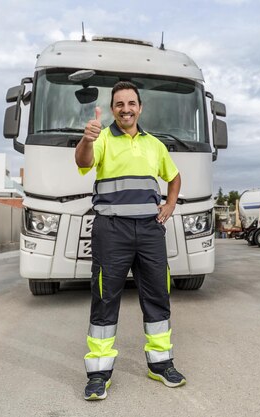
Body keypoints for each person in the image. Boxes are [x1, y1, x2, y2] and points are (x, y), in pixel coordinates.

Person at [75, 81, 185, 401]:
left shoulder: (155, 144)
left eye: (131, 103)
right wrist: (86, 138)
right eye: (119, 104)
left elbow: (174, 177)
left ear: (140, 107)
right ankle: (98, 372)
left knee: (157, 295)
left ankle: (161, 364)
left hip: (150, 231)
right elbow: (83, 163)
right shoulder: (102, 138)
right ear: (112, 109)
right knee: (106, 297)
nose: (126, 109)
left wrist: (170, 204)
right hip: (111, 230)